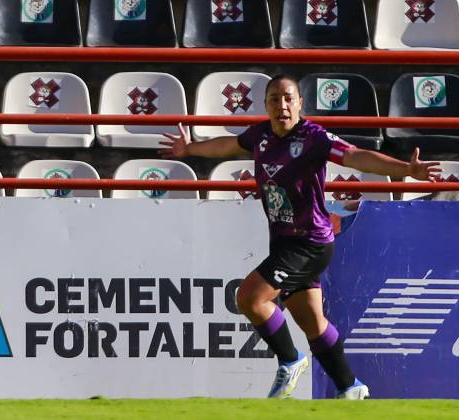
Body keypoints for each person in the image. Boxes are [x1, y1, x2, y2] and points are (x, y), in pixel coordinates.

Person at [159, 75, 442, 399]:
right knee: (313, 323)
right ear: (266, 105)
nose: (282, 105)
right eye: (274, 99)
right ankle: (351, 387)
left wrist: (406, 170)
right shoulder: (260, 135)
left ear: (299, 104)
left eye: (288, 98)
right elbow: (228, 145)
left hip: (310, 242)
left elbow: (355, 156)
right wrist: (189, 149)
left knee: (250, 298)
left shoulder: (314, 137)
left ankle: (290, 360)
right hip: (283, 240)